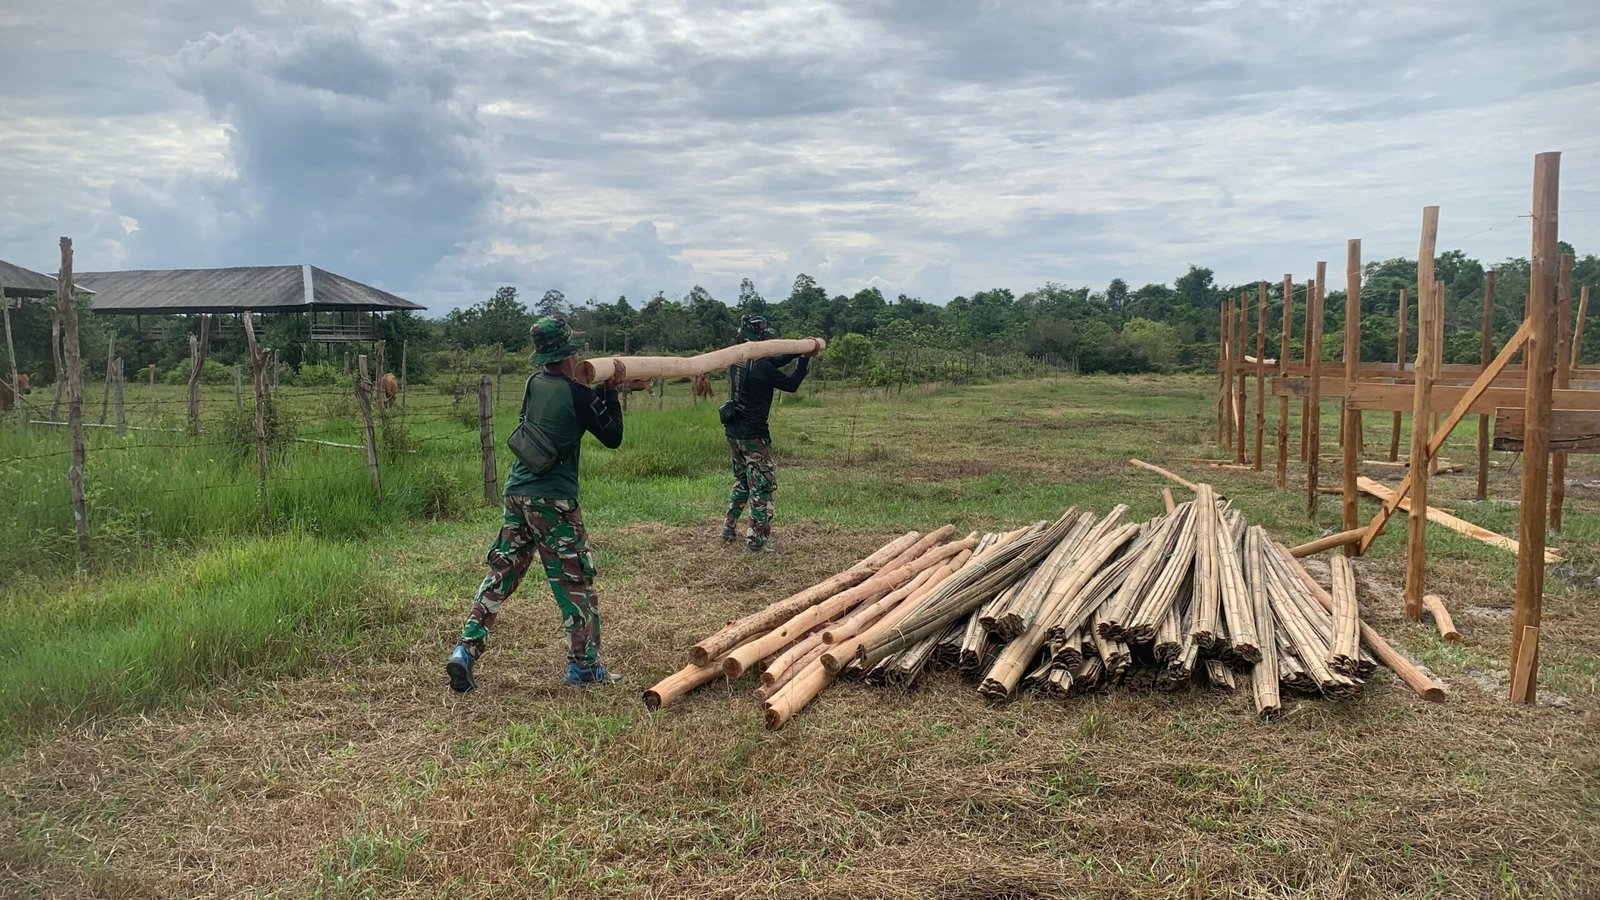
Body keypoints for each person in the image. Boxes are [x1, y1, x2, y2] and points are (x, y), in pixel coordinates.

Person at [447, 316, 628, 692]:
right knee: (575, 580)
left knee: (503, 572)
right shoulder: (580, 394)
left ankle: (465, 648)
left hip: (517, 493)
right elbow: (612, 436)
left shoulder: (533, 382)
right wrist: (611, 392)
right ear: (570, 353)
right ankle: (584, 667)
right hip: (554, 500)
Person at [721, 314, 814, 552]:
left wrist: (798, 349)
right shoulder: (761, 366)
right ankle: (756, 541)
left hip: (733, 431)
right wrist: (804, 360)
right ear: (760, 338)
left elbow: (776, 360)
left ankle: (729, 528)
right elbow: (791, 384)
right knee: (763, 485)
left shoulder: (737, 359)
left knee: (743, 480)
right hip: (754, 435)